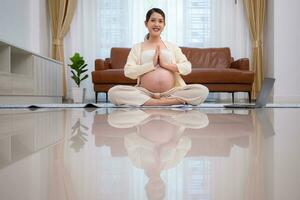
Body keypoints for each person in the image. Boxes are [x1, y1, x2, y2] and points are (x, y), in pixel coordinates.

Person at [108, 8, 209, 106]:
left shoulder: (172, 46)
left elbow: (187, 67)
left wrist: (165, 64)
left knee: (202, 90)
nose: (157, 24)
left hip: (172, 92)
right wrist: (151, 64)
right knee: (113, 93)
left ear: (164, 25)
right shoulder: (137, 47)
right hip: (144, 93)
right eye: (153, 20)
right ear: (146, 23)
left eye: (160, 21)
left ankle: (149, 103)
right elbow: (128, 71)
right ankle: (170, 102)